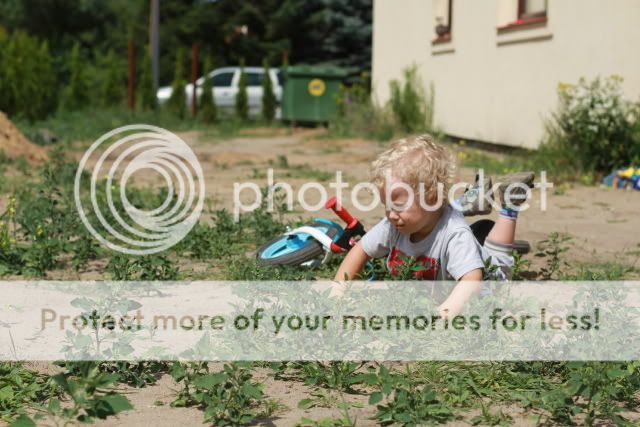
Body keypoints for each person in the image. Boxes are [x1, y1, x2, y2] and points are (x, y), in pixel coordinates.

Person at [332, 134, 534, 317]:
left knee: (498, 268)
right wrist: (337, 293)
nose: (391, 215)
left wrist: (441, 316)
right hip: (451, 245)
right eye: (387, 205)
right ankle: (472, 201)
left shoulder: (456, 234)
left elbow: (472, 281)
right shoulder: (394, 224)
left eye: (398, 206)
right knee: (460, 240)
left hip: (487, 280)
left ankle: (510, 205)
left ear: (432, 198)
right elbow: (360, 250)